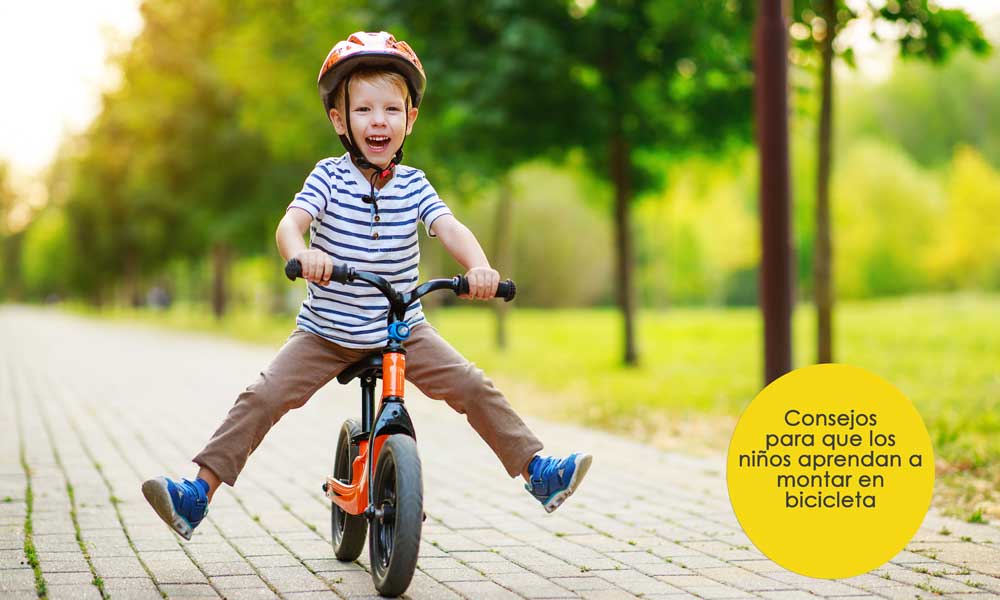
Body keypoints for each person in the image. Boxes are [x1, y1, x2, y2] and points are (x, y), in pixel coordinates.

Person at [142, 31, 592, 541]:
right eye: (364, 110)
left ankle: (537, 472)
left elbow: (450, 229)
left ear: (410, 119)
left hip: (402, 329)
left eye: (391, 110)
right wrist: (302, 254)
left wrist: (481, 267)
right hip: (326, 331)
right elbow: (289, 226)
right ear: (340, 120)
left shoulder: (415, 184)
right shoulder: (328, 178)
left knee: (471, 384)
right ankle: (197, 494)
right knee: (263, 396)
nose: (379, 121)